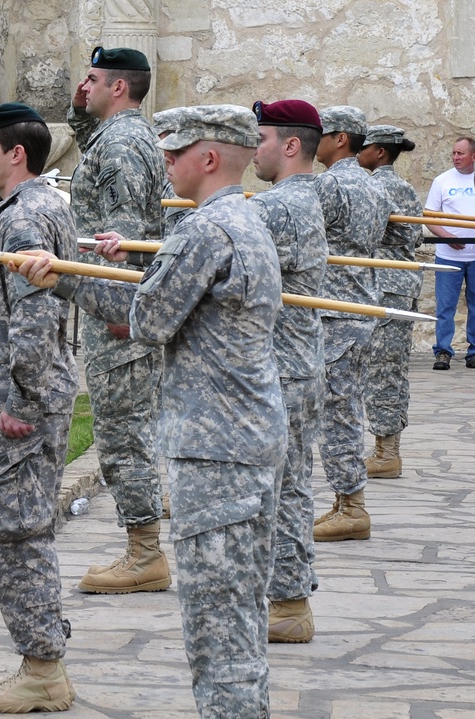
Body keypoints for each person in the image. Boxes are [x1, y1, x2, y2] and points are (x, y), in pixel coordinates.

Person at [14, 105, 286, 719]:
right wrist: (116, 263)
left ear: (209, 158)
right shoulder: (239, 218)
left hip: (216, 449)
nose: (163, 162)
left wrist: (57, 276)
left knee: (219, 632)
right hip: (245, 438)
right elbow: (164, 292)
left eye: (174, 152)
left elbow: (143, 319)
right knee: (238, 619)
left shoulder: (205, 231)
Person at [0, 102, 80, 714]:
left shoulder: (26, 219)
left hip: (19, 403)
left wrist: (20, 401)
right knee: (23, 528)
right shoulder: (38, 208)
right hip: (29, 393)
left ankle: (41, 669)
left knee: (16, 533)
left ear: (16, 155)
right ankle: (42, 659)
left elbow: (34, 318)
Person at [65, 45, 169, 594]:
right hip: (115, 307)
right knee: (128, 431)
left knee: (122, 435)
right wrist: (80, 106)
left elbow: (122, 240)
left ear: (119, 86)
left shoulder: (126, 143)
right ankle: (143, 542)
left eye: (93, 78)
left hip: (118, 314)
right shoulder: (116, 135)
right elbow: (84, 138)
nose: (85, 85)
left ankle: (144, 553)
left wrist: (119, 312)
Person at [248, 99, 328, 643]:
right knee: (291, 486)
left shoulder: (280, 206)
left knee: (276, 490)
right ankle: (290, 602)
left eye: (262, 138)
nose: (255, 148)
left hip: (282, 367)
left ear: (290, 145)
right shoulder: (296, 198)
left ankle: (289, 604)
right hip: (298, 362)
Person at [312, 106, 390, 543]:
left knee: (337, 412)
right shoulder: (371, 183)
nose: (314, 142)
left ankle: (352, 504)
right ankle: (344, 501)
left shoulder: (331, 183)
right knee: (345, 406)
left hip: (335, 310)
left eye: (320, 134)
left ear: (341, 138)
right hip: (358, 306)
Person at [358, 125, 424, 477]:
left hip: (386, 283)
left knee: (382, 370)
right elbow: (413, 234)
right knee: (392, 369)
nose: (358, 152)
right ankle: (388, 449)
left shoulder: (379, 186)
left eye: (363, 147)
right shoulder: (402, 187)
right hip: (400, 282)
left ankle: (386, 453)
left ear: (379, 152)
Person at [424, 137, 475, 370]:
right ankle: (443, 351)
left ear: (473, 156)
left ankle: (473, 352)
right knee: (445, 306)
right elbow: (429, 216)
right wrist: (446, 236)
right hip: (448, 256)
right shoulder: (442, 181)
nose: (455, 157)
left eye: (460, 154)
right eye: (453, 153)